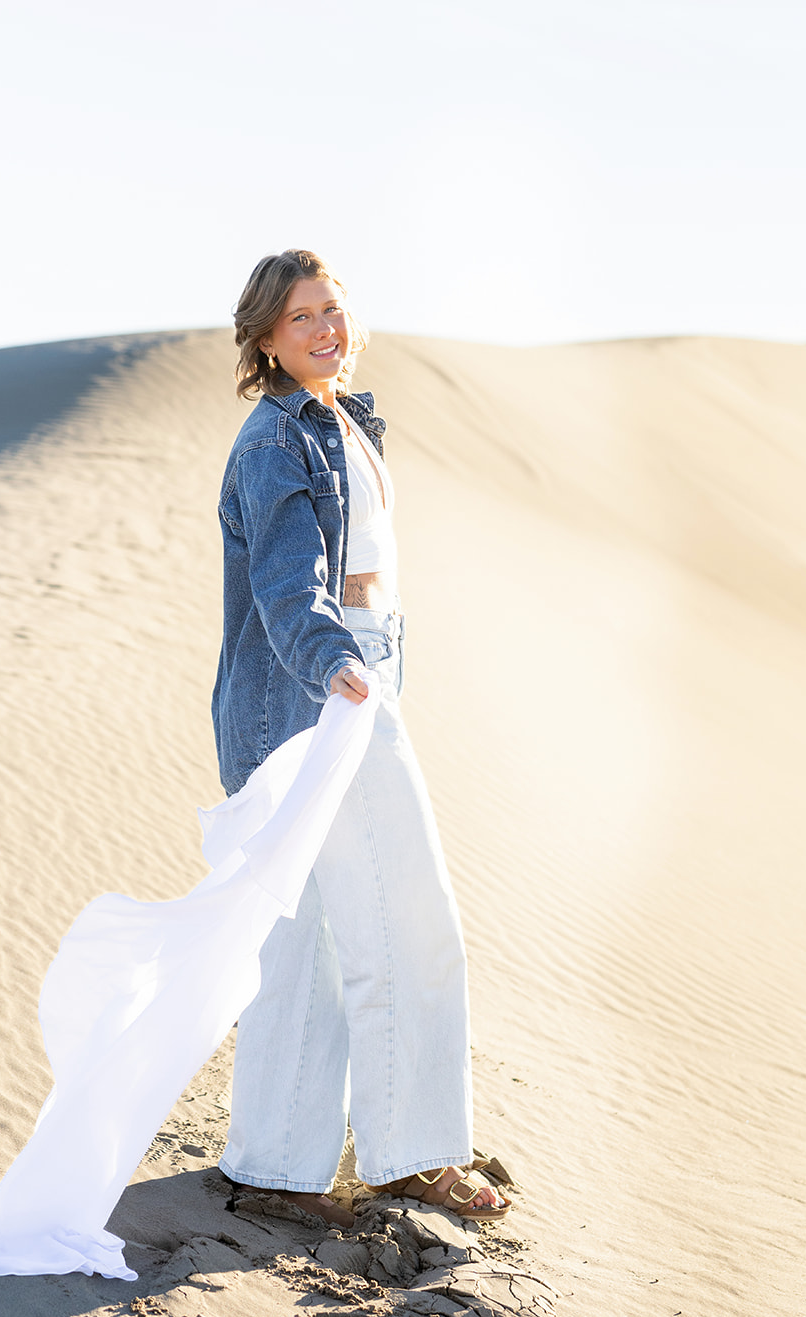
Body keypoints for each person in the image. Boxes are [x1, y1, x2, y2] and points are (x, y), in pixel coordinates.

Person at [212, 249, 510, 1229]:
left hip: (332, 675)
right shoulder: (276, 439)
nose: (323, 329)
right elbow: (287, 578)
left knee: (303, 936)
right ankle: (413, 1155)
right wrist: (333, 660)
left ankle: (275, 1164)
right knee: (406, 918)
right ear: (265, 336)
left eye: (332, 309)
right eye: (300, 317)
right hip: (324, 686)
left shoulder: (340, 419)